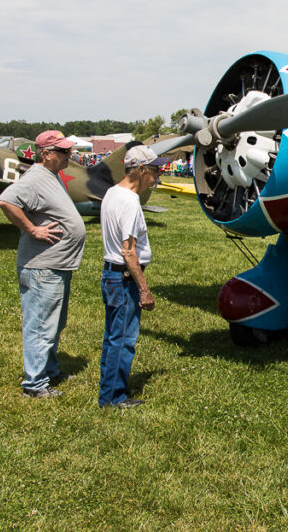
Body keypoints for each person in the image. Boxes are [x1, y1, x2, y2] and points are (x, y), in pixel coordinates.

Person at [0, 130, 85, 399]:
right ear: (46, 154)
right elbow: (6, 200)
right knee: (40, 325)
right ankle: (34, 385)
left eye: (69, 151)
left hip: (56, 265)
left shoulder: (51, 176)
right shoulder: (35, 178)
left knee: (53, 324)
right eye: (64, 152)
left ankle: (49, 369)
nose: (70, 155)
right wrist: (33, 230)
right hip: (41, 268)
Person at [98, 144, 169, 409]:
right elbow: (129, 252)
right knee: (124, 339)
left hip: (111, 274)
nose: (157, 176)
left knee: (112, 336)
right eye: (154, 170)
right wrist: (144, 290)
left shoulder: (111, 193)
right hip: (124, 277)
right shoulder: (129, 201)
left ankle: (109, 388)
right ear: (139, 170)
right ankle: (113, 397)